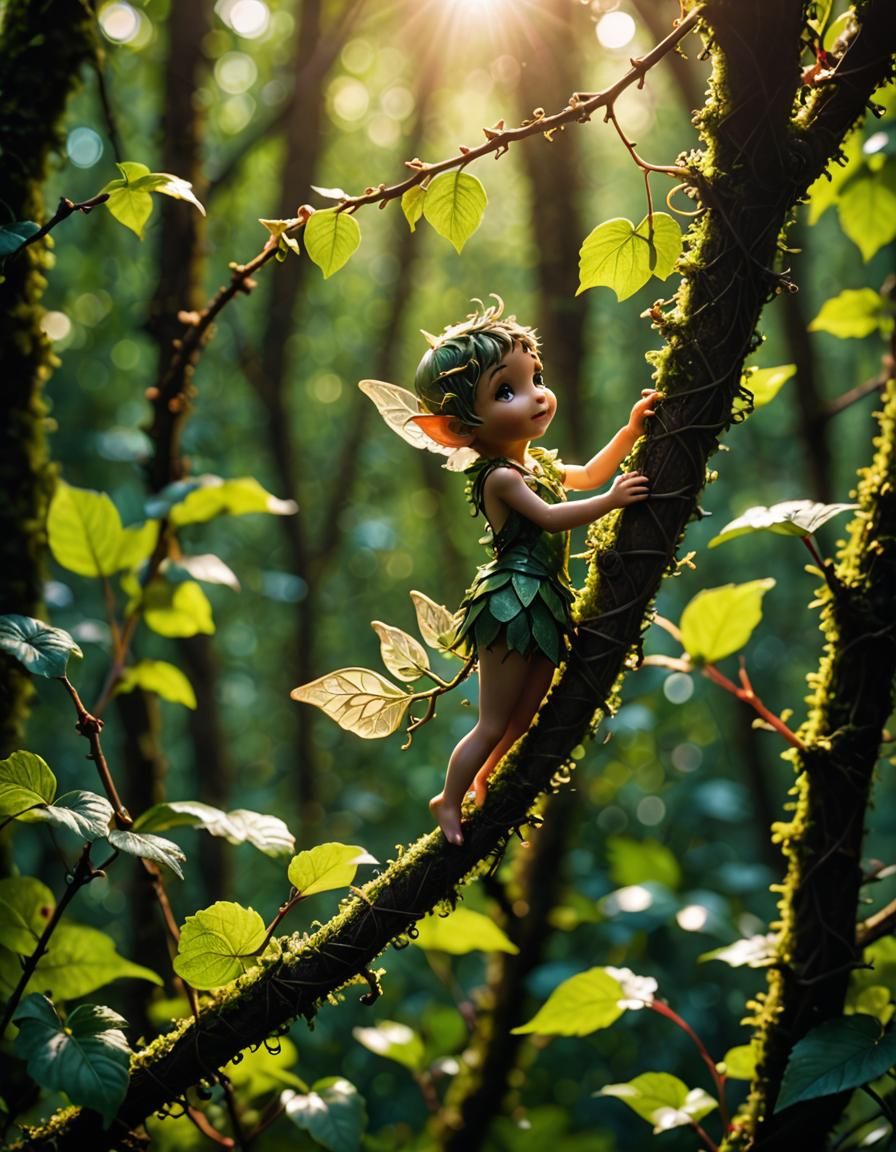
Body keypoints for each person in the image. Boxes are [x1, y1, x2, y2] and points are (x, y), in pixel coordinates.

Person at [408, 299, 657, 844]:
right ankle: (447, 799)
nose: (537, 395)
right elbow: (548, 517)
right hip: (510, 604)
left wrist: (630, 431)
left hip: (544, 601)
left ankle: (485, 779)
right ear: (458, 428)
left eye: (536, 378)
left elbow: (588, 475)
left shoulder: (535, 464)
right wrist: (613, 503)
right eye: (506, 391)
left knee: (525, 716)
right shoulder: (499, 477)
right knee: (493, 721)